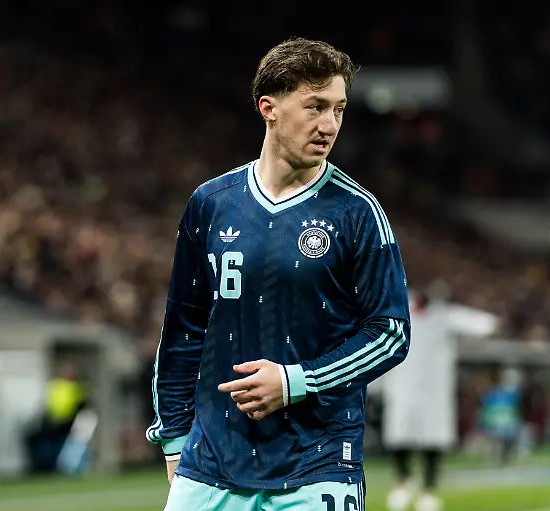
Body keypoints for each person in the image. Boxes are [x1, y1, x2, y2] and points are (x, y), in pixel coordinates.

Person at [146, 37, 411, 510]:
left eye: (339, 110)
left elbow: (390, 334)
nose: (329, 125)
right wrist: (173, 437)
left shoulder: (357, 213)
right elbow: (183, 330)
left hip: (318, 464)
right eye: (315, 107)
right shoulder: (211, 204)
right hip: (211, 463)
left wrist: (297, 380)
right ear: (268, 107)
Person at [380, 287, 498, 511]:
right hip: (402, 386)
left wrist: (491, 324)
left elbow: (477, 323)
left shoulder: (443, 316)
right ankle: (402, 481)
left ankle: (429, 490)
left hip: (435, 390)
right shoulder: (395, 314)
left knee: (433, 439)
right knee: (399, 435)